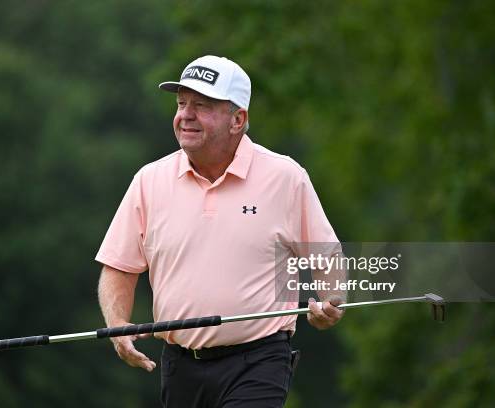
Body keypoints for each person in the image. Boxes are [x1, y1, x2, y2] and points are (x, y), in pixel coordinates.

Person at [96, 55, 345, 407]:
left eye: (202, 105)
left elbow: (327, 255)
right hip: (180, 365)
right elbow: (119, 266)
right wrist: (118, 326)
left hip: (259, 361)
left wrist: (330, 300)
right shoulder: (149, 181)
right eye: (182, 104)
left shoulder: (284, 177)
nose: (186, 115)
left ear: (237, 120)